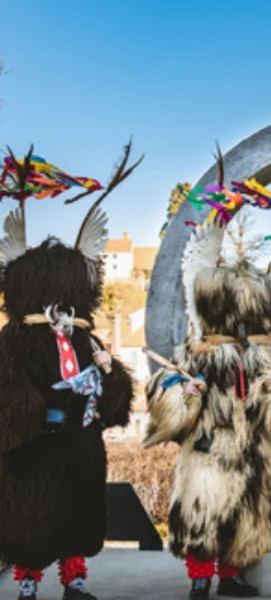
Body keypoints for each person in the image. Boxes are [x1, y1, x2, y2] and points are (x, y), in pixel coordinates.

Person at [145, 216, 271, 600]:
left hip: (255, 448)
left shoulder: (267, 356)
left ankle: (233, 574)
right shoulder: (199, 353)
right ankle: (200, 576)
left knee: (248, 510)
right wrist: (184, 392)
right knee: (203, 509)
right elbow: (164, 390)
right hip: (209, 445)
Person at [0, 146, 139, 600]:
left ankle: (75, 580)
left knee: (77, 512)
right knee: (30, 514)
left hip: (79, 445)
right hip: (32, 448)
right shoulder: (17, 340)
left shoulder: (87, 341)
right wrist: (24, 407)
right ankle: (27, 583)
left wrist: (111, 373)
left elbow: (116, 409)